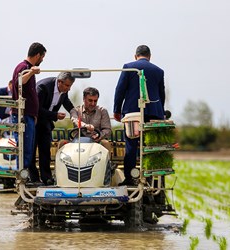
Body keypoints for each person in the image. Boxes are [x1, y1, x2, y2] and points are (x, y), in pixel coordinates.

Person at [113, 45, 165, 186]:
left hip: (133, 113)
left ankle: (130, 178)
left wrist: (117, 110)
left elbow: (120, 90)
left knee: (131, 144)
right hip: (154, 113)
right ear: (150, 56)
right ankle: (152, 178)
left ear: (135, 55)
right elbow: (161, 95)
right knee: (150, 146)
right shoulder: (159, 71)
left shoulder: (129, 67)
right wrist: (161, 113)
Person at [30, 72, 75, 185]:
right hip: (34, 121)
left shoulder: (63, 91)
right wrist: (55, 116)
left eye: (70, 86)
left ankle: (46, 178)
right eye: (67, 86)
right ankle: (34, 178)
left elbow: (67, 102)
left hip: (46, 122)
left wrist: (75, 113)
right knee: (31, 150)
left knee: (45, 150)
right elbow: (37, 109)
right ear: (59, 82)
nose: (69, 89)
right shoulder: (43, 87)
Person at [11, 42, 47, 182]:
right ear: (38, 55)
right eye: (42, 57)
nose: (42, 60)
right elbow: (19, 82)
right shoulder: (23, 67)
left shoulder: (28, 68)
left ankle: (24, 178)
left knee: (29, 149)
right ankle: (22, 178)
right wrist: (31, 72)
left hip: (29, 115)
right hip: (22, 115)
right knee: (24, 148)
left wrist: (35, 114)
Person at [69, 87, 112, 152]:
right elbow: (75, 120)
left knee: (106, 143)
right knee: (62, 143)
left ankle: (107, 161)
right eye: (90, 100)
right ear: (84, 99)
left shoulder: (102, 111)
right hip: (78, 142)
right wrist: (85, 126)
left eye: (95, 101)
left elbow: (107, 130)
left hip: (97, 143)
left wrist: (99, 136)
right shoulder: (75, 111)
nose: (93, 104)